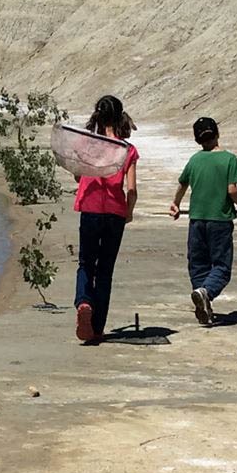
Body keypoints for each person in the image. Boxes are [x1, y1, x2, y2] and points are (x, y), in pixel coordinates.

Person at [170, 117, 237, 325]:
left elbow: (182, 184)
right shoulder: (229, 159)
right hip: (220, 220)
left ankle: (203, 301)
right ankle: (206, 292)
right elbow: (232, 190)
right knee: (221, 266)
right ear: (217, 133)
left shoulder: (195, 160)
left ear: (197, 139)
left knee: (198, 264)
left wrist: (175, 204)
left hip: (196, 219)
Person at [74, 95, 138, 342]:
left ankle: (83, 302)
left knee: (85, 264)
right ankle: (97, 328)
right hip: (114, 213)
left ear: (97, 116)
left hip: (90, 210)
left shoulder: (89, 146)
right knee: (105, 270)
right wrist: (129, 212)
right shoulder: (127, 150)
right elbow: (131, 189)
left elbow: (79, 177)